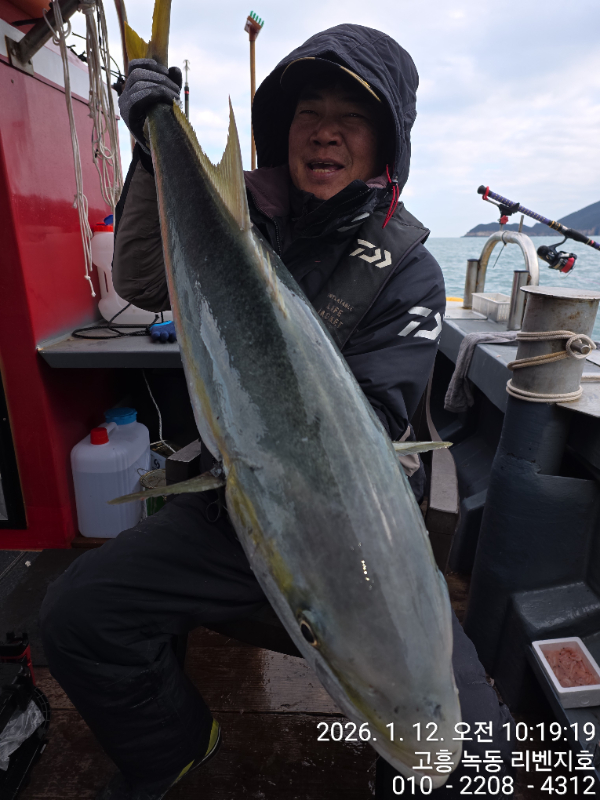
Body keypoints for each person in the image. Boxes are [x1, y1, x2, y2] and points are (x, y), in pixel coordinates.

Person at [40, 24, 513, 800]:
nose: (325, 132)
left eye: (351, 118)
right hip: (229, 512)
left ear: (386, 144)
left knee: (469, 752)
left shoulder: (410, 273)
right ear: (281, 132)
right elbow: (144, 283)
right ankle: (174, 748)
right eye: (308, 113)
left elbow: (372, 417)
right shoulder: (237, 218)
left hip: (356, 537)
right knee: (76, 616)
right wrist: (153, 150)